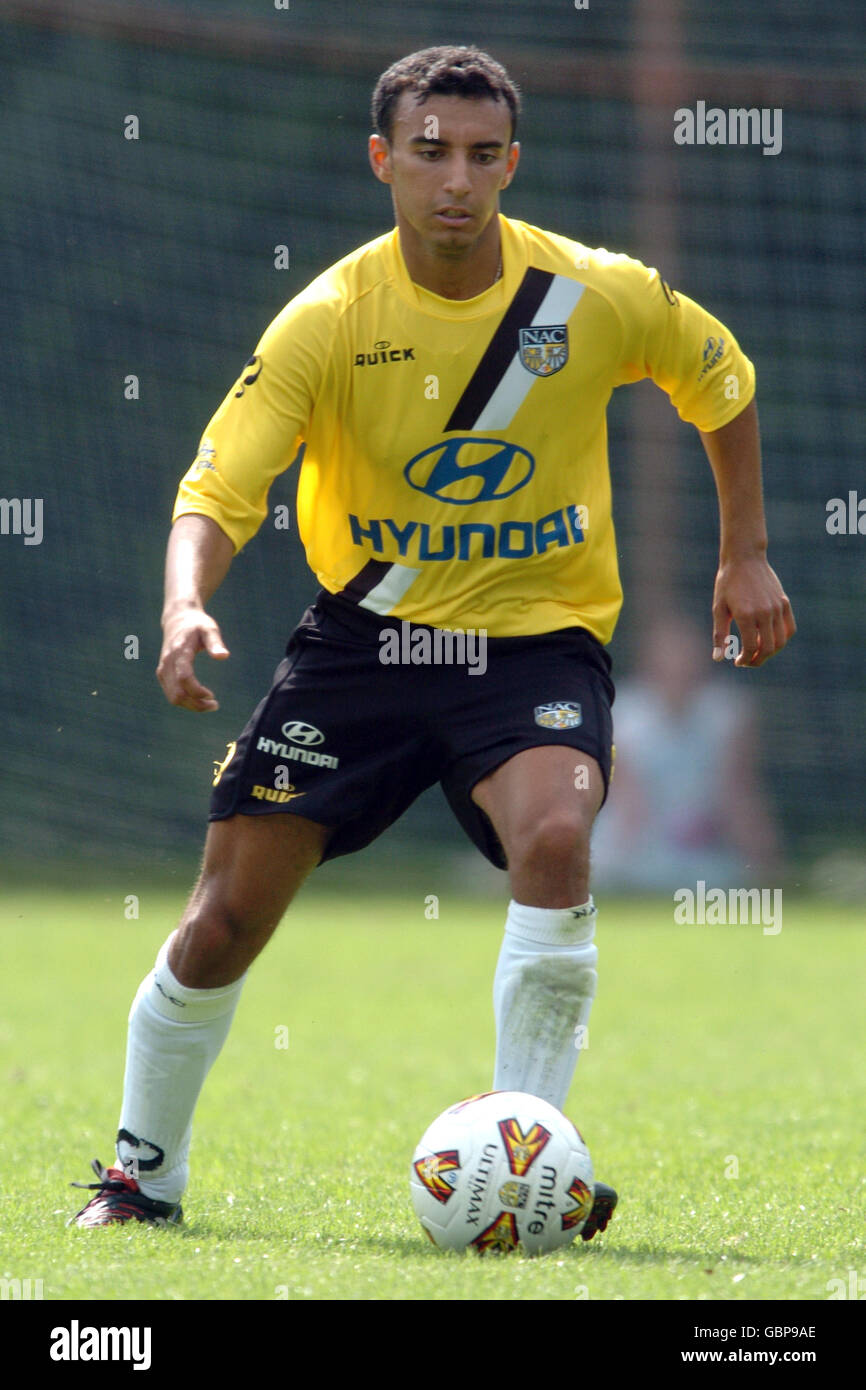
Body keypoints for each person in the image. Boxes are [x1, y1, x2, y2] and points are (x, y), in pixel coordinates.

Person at [69, 46, 795, 1242]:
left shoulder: (589, 293)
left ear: (510, 163)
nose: (454, 180)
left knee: (556, 837)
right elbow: (217, 487)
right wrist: (182, 603)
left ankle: (529, 1166)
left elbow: (717, 375)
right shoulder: (328, 320)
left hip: (533, 646)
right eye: (428, 153)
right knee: (223, 922)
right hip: (362, 643)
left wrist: (744, 552)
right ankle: (141, 1178)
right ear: (381, 161)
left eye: (479, 155)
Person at [590, 618, 784, 893]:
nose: (680, 668)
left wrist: (767, 866)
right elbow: (628, 805)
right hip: (637, 844)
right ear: (650, 664)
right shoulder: (623, 714)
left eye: (688, 657)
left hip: (706, 848)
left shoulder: (729, 713)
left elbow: (739, 794)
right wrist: (611, 872)